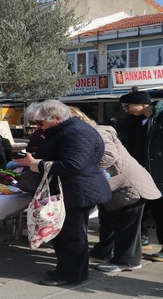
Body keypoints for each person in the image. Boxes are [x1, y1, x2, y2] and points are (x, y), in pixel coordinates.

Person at [14, 100, 111, 286]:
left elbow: (73, 165)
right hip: (71, 189)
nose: (39, 127)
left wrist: (35, 164)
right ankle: (65, 270)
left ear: (56, 118)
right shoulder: (67, 130)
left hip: (78, 191)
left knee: (72, 236)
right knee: (65, 234)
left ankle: (72, 275)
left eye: (40, 123)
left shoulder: (77, 132)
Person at [70, 107, 160, 272]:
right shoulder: (94, 132)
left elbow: (109, 156)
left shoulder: (98, 133)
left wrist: (84, 166)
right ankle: (103, 252)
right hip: (116, 185)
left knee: (127, 226)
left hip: (129, 185)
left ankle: (128, 261)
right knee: (108, 221)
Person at [118, 87, 163, 261]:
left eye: (127, 106)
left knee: (160, 210)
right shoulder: (134, 121)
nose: (126, 110)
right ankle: (142, 238)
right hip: (142, 170)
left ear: (140, 104)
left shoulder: (159, 117)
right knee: (144, 207)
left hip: (158, 171)